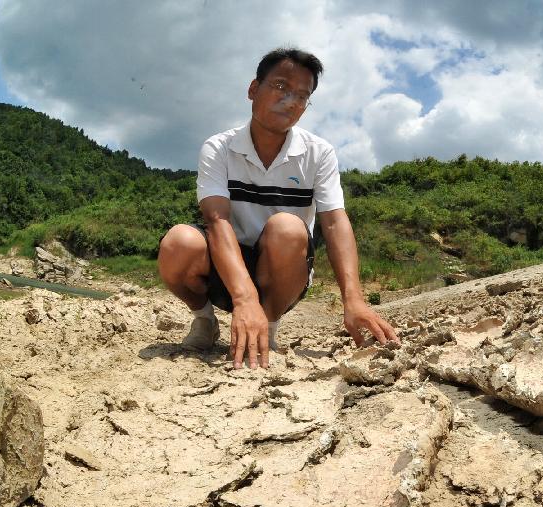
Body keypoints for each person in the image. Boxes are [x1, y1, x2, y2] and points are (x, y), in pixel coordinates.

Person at [157, 47, 398, 369]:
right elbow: (216, 220)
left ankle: (266, 329)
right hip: (227, 268)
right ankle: (204, 321)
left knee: (287, 226)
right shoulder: (219, 147)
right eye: (281, 86)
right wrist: (243, 298)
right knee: (179, 241)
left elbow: (335, 222)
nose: (292, 100)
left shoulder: (318, 153)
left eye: (303, 95)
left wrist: (353, 299)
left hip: (283, 270)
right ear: (253, 90)